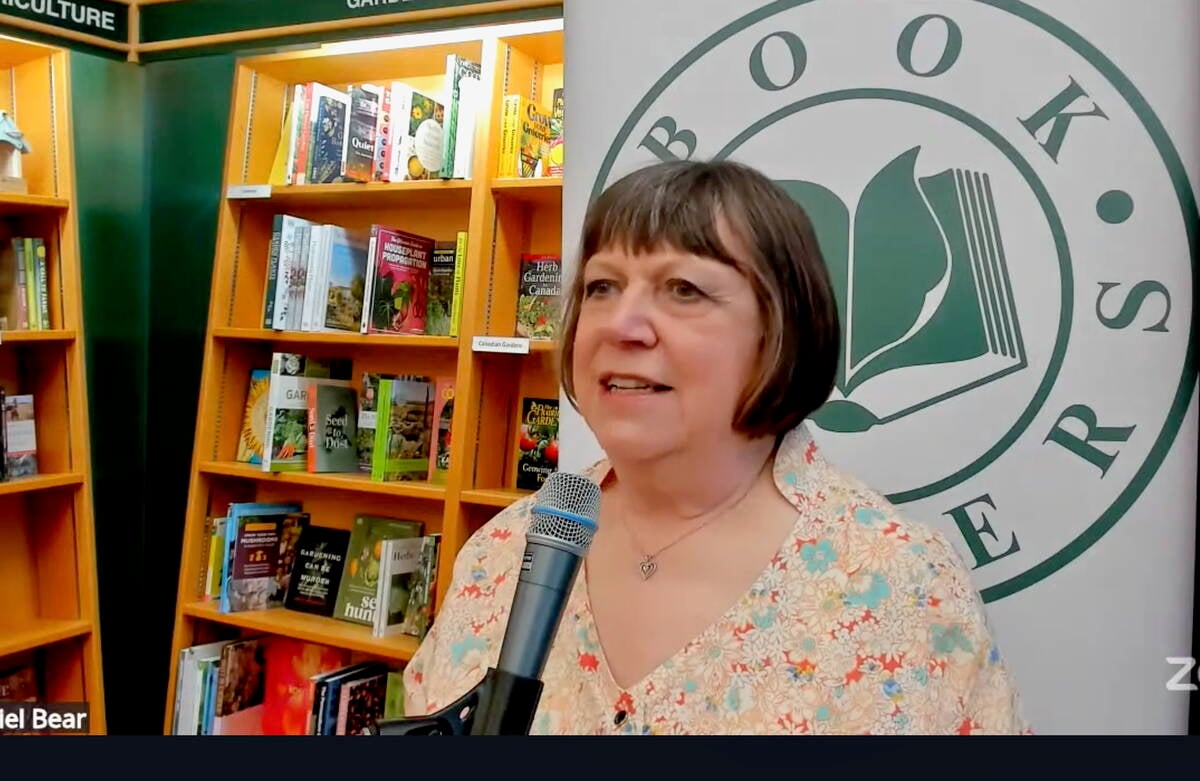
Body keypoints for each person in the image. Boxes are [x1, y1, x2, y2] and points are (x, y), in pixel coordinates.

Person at [402, 159, 1032, 735]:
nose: (621, 324)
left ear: (780, 331)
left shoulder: (899, 581)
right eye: (601, 287)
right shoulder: (503, 554)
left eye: (684, 290)